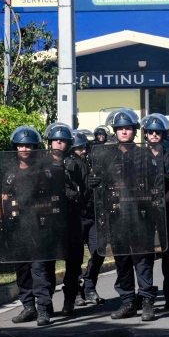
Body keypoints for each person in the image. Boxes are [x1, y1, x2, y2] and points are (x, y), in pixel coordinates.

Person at [108, 111, 169, 322]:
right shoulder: (121, 155)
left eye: (157, 132)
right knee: (126, 259)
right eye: (150, 132)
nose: (154, 135)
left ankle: (161, 299)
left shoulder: (165, 156)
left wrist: (160, 200)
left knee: (161, 258)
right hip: (128, 215)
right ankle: (128, 302)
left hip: (157, 212)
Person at [0, 125, 59, 326]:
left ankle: (43, 308)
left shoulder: (44, 171)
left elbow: (53, 199)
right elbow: (3, 198)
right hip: (17, 228)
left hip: (39, 227)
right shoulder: (10, 172)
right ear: (15, 148)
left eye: (29, 145)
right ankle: (28, 307)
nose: (25, 149)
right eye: (21, 146)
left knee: (39, 269)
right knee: (22, 270)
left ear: (35, 147)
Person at [44, 123, 86, 316]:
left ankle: (69, 299)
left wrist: (89, 188)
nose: (58, 143)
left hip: (72, 219)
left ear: (68, 143)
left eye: (62, 141)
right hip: (49, 222)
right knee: (47, 262)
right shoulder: (41, 163)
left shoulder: (77, 164)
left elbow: (86, 193)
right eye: (55, 140)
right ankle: (46, 301)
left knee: (73, 262)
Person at [71, 129, 104, 306]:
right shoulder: (69, 165)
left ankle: (90, 287)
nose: (83, 151)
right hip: (77, 217)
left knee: (99, 250)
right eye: (78, 148)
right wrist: (84, 188)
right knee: (75, 257)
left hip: (94, 215)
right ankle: (76, 291)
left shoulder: (93, 163)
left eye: (84, 147)